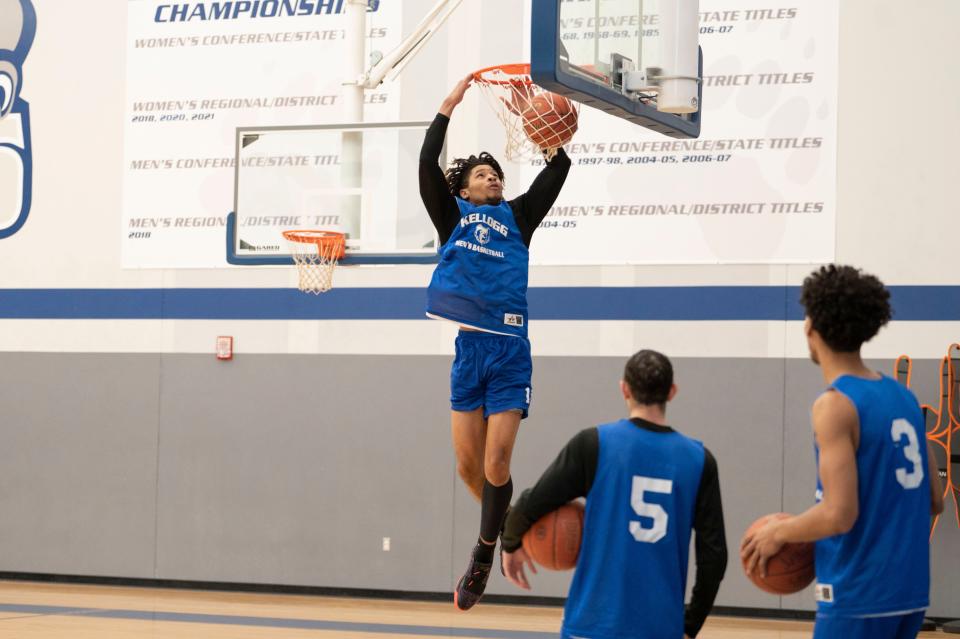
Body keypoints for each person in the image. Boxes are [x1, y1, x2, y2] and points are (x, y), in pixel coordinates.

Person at [419, 74, 572, 610]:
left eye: (496, 174)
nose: (492, 178)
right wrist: (447, 105)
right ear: (463, 190)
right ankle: (512, 525)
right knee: (468, 468)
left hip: (510, 348)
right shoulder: (452, 217)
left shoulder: (518, 217)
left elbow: (559, 169)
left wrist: (545, 124)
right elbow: (425, 167)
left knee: (497, 464)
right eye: (482, 174)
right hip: (469, 352)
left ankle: (483, 553)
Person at [741, 264, 945, 639]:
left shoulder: (835, 405)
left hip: (858, 596)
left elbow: (839, 514)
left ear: (810, 326)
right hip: (910, 594)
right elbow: (935, 499)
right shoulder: (904, 398)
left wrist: (781, 533)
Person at [501, 350, 727, 639]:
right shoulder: (699, 461)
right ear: (672, 392)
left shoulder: (593, 445)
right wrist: (690, 625)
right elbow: (714, 557)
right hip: (660, 627)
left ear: (625, 389)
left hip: (592, 624)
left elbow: (532, 502)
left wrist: (510, 541)